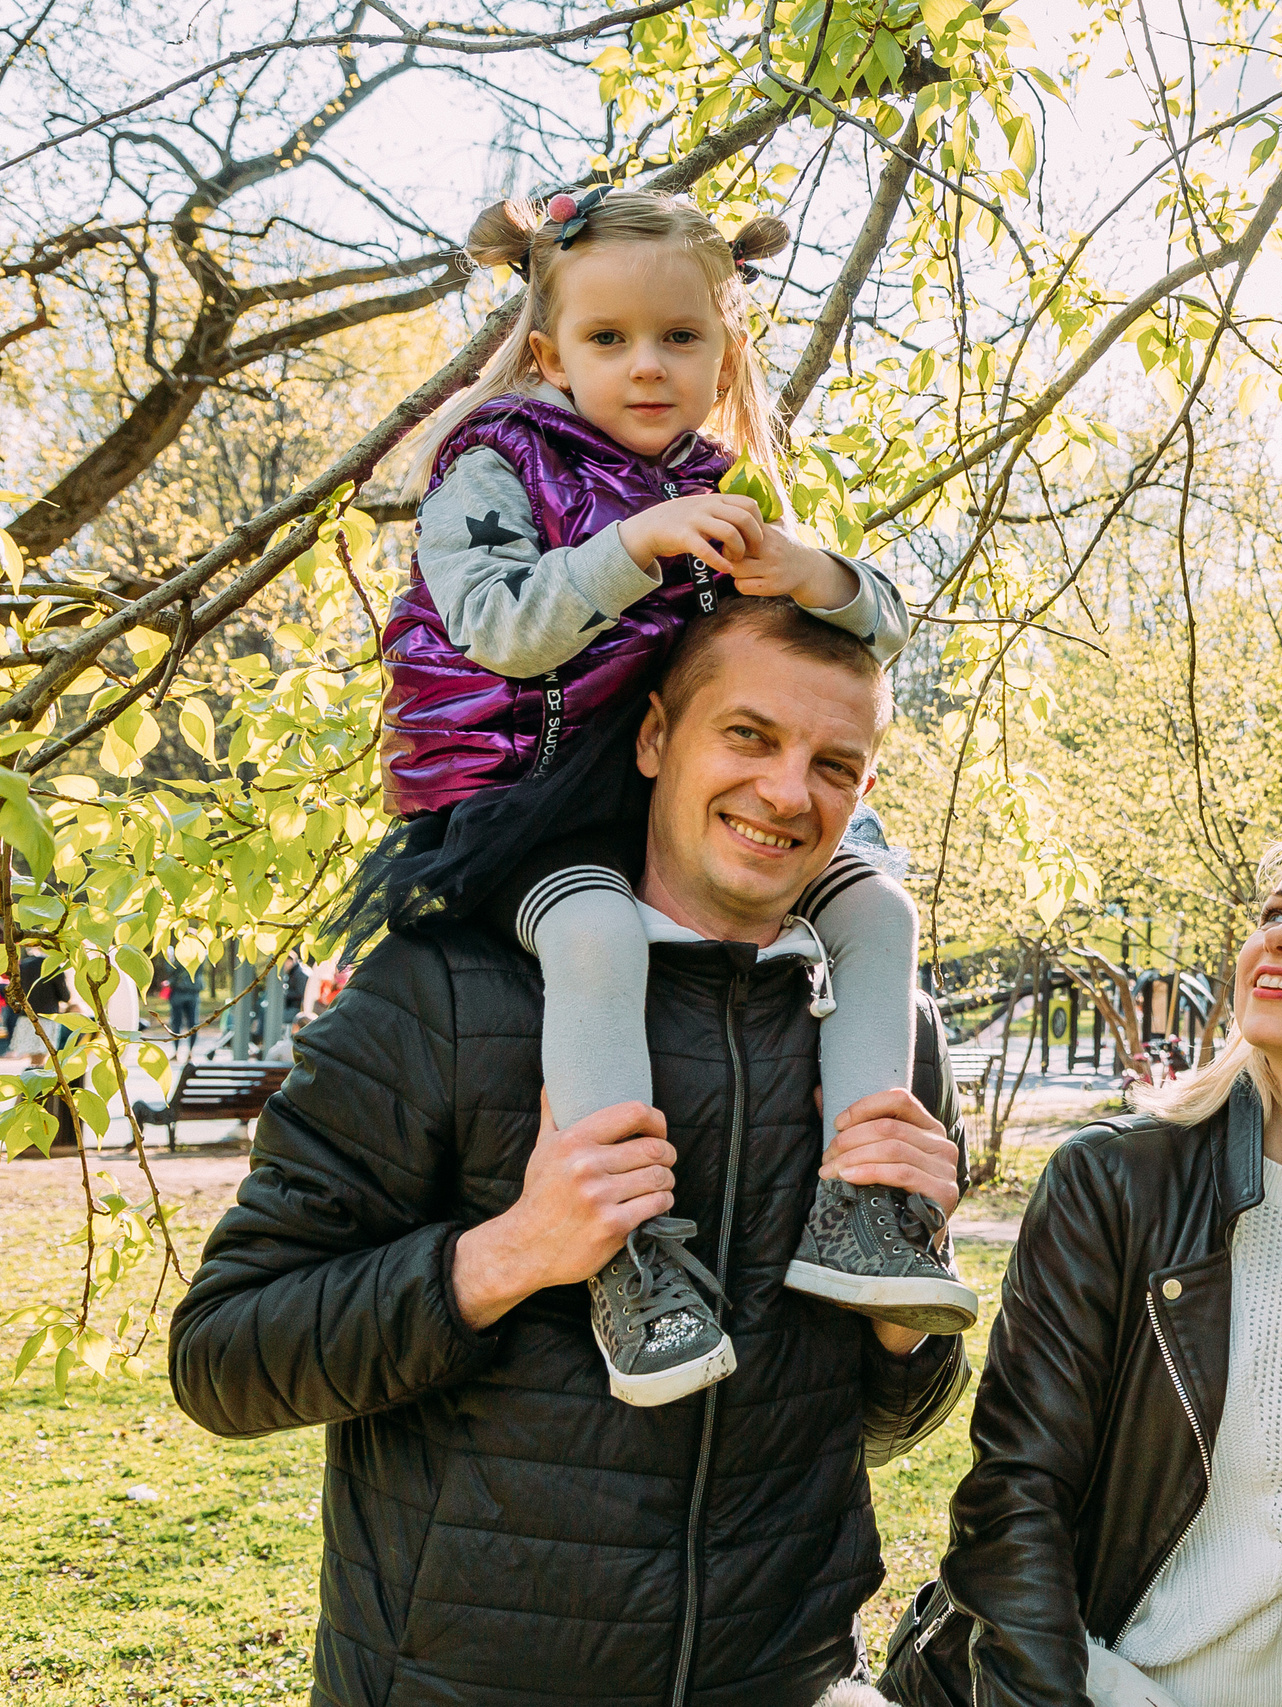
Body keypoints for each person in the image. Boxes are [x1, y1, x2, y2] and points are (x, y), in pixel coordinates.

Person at [170, 596, 971, 1705]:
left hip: (778, 1677)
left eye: (834, 763)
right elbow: (223, 1361)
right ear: (653, 739)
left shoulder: (889, 1039)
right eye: (748, 735)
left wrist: (899, 1325)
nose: (788, 792)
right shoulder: (448, 995)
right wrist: (509, 1255)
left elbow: (882, 1432)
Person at [353, 184, 973, 1407]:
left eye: (681, 338)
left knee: (877, 911)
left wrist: (815, 572)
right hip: (515, 796)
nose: (648, 366)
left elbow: (871, 637)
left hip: (641, 780)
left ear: (724, 349)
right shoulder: (493, 466)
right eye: (608, 339)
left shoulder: (709, 484)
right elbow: (497, 628)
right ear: (547, 352)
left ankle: (866, 1206)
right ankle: (626, 1256)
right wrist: (634, 549)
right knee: (589, 932)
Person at [881, 817, 1282, 1707]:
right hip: (1088, 1685)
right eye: (1276, 909)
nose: (1279, 934)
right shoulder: (1114, 1181)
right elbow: (1013, 1499)